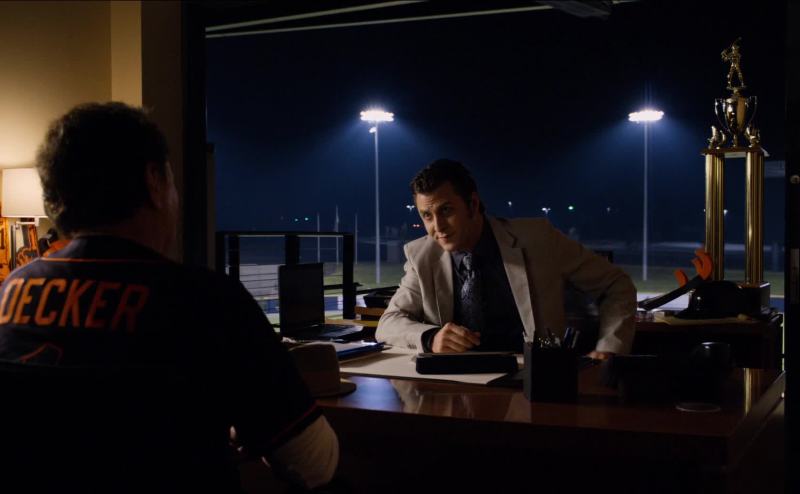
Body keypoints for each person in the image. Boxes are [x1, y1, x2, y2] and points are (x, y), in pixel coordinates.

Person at [0, 102, 337, 491]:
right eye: (173, 181)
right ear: (155, 182)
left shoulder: (9, 294)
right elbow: (315, 464)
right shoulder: (208, 301)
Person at [376, 159, 636, 359]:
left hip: (532, 381)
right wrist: (430, 338)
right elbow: (388, 323)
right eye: (427, 216)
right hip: (455, 383)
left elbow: (617, 285)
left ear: (473, 204)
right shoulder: (422, 255)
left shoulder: (539, 239)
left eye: (446, 210)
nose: (438, 226)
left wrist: (610, 350)